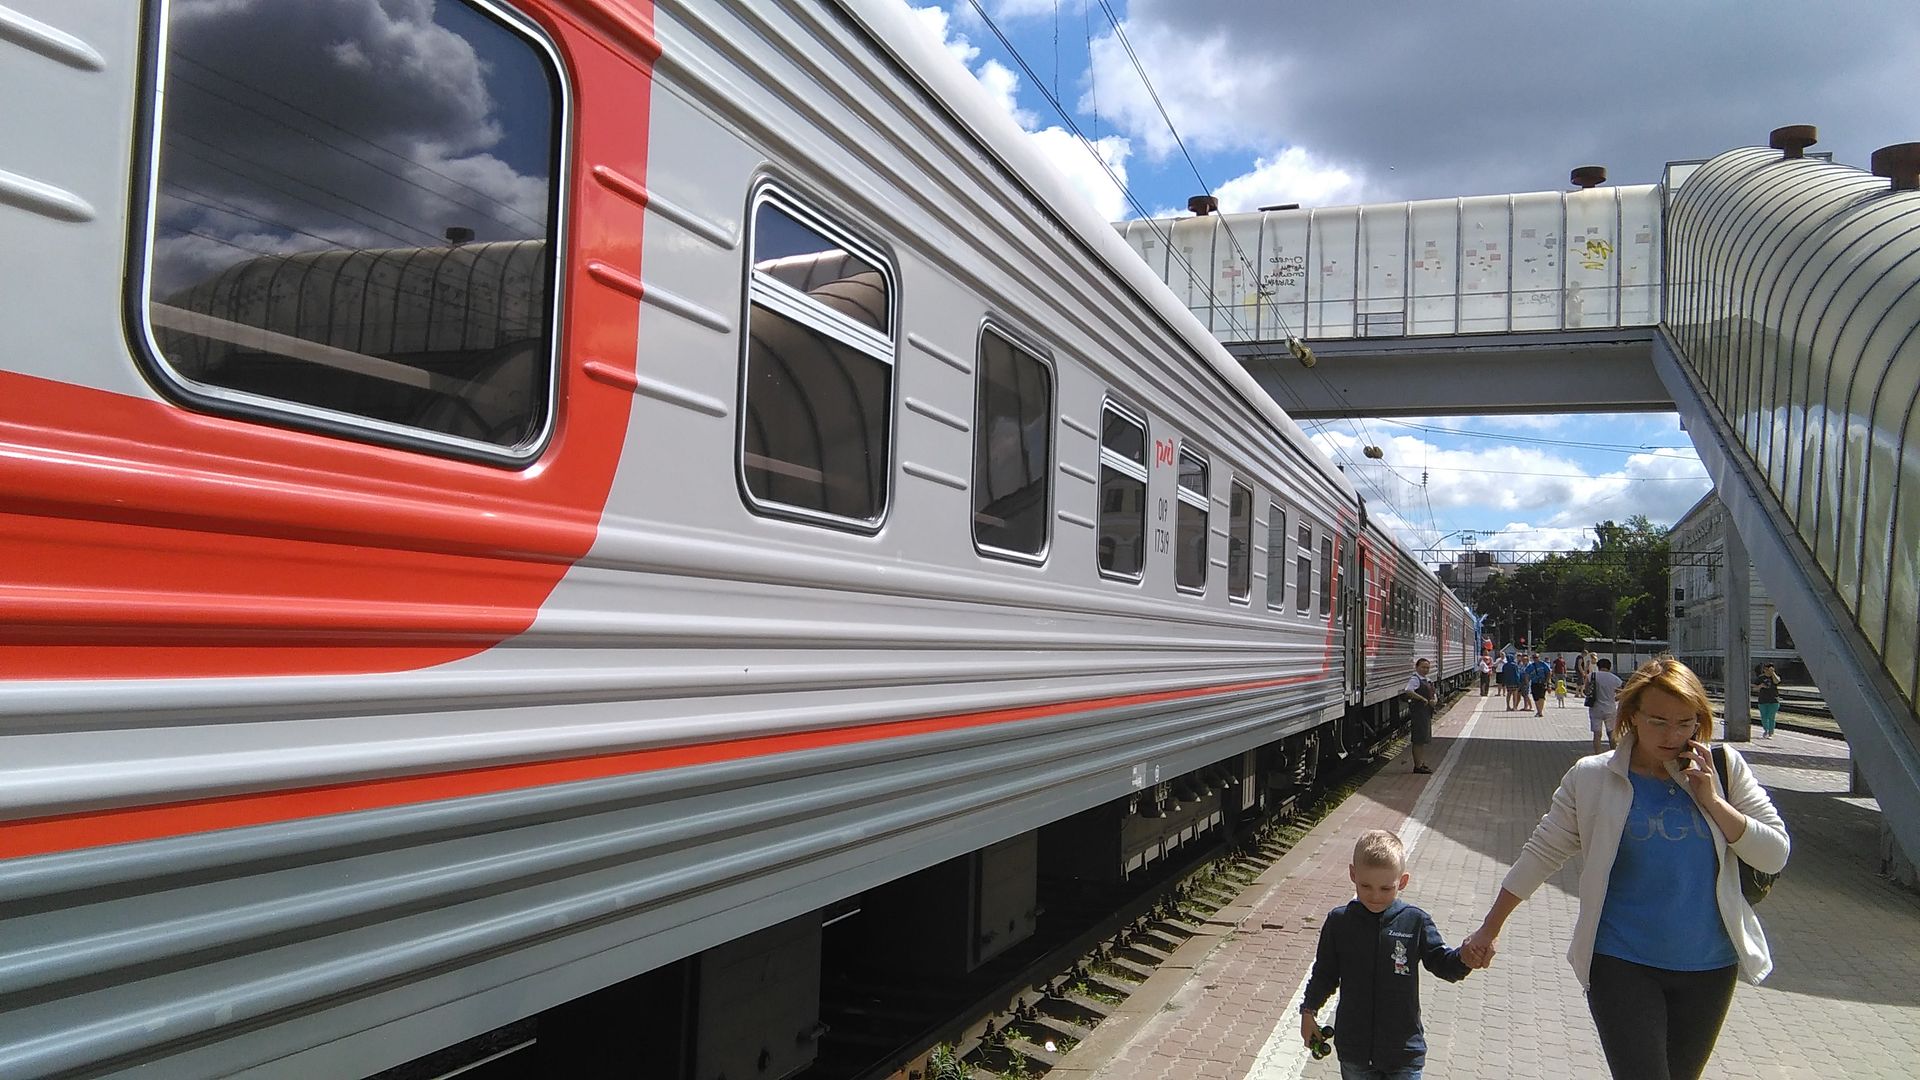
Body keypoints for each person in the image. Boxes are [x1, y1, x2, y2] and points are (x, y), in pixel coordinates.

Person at [1459, 659, 1789, 1080]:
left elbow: (1774, 854)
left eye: (1685, 723)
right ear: (1631, 715)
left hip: (1709, 965)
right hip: (1621, 962)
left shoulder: (1724, 769)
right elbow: (1540, 853)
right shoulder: (1593, 778)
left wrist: (1712, 800)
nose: (1672, 735)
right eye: (1658, 722)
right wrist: (1489, 929)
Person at [1299, 829, 1472, 1080]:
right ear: (1353, 874)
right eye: (1365, 886)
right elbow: (1324, 974)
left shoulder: (1415, 921)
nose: (1375, 896)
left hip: (1403, 1052)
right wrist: (1308, 1011)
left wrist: (1466, 957)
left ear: (1402, 881)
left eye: (1386, 888)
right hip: (1355, 1052)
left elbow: (1443, 964)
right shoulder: (1339, 922)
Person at [1402, 658, 1439, 774]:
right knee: (1418, 739)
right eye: (1423, 667)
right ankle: (1417, 766)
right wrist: (1422, 699)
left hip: (1426, 712)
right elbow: (1408, 691)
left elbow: (1433, 694)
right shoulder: (1415, 679)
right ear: (1417, 667)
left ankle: (1421, 763)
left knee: (1422, 739)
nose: (1425, 670)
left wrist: (1434, 701)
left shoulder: (1427, 680)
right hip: (1419, 712)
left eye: (1427, 668)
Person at [1586, 657, 1623, 754]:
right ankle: (1613, 754)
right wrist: (1613, 699)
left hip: (1595, 708)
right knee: (1611, 733)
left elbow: (1587, 691)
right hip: (1610, 708)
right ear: (1609, 667)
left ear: (1598, 666)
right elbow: (1622, 693)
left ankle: (1597, 754)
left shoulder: (1591, 676)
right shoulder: (1615, 679)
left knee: (1597, 734)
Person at [1753, 663, 1781, 739]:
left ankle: (1770, 732)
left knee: (1771, 717)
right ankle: (1766, 730)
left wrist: (1773, 673)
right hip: (1763, 700)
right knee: (1764, 717)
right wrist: (1760, 686)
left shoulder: (1775, 676)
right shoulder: (1760, 678)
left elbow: (1777, 681)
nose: (1767, 671)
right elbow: (1754, 688)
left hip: (1774, 700)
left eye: (1769, 669)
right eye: (1766, 669)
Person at [1524, 652, 1552, 717]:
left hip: (1542, 682)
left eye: (1536, 657)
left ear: (1539, 658)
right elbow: (1526, 674)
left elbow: (1549, 673)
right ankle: (1539, 711)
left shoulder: (1543, 664)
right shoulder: (1531, 666)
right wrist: (1527, 683)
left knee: (1542, 697)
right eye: (1534, 658)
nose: (1535, 659)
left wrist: (1548, 683)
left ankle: (1540, 712)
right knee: (1536, 698)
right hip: (1534, 683)